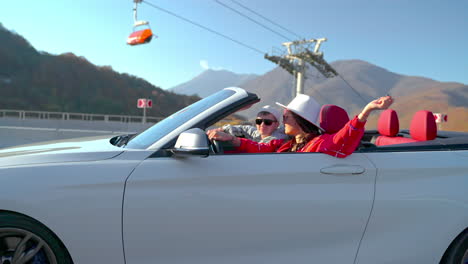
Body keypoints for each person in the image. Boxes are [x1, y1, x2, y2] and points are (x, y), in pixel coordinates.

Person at [207, 94, 394, 158]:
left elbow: (343, 138)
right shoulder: (287, 143)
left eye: (287, 116)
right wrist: (230, 139)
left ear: (300, 121)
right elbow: (259, 147)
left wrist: (366, 111)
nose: (284, 120)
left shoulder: (320, 143)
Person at [218, 105, 288, 143]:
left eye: (267, 122)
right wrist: (222, 129)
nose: (262, 125)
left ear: (277, 125)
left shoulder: (277, 138)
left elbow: (258, 147)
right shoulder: (258, 133)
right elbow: (245, 128)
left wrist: (232, 139)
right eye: (259, 121)